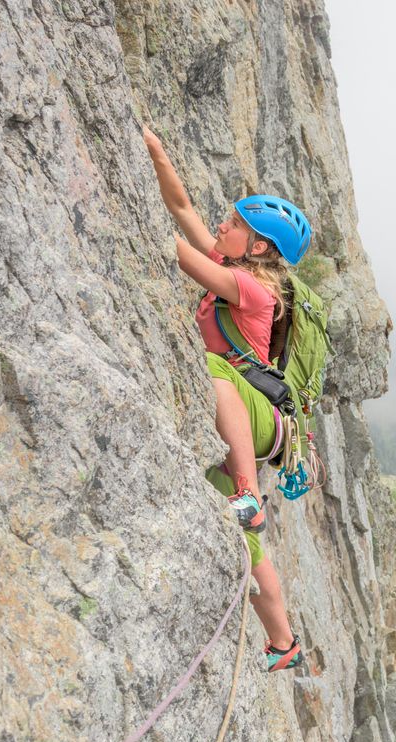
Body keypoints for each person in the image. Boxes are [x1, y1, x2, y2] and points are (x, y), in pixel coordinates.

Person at [143, 126, 310, 672]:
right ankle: (284, 644)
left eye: (236, 223)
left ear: (259, 246)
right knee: (246, 541)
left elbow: (187, 256)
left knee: (211, 366)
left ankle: (248, 491)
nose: (223, 223)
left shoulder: (255, 289)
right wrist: (155, 152)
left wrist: (124, 202)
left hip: (256, 417)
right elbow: (182, 207)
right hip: (240, 412)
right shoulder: (235, 267)